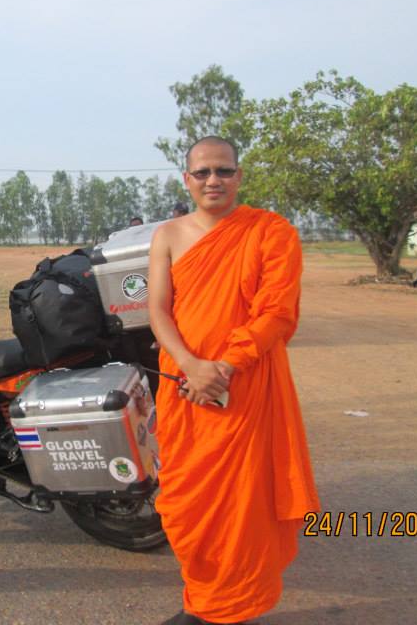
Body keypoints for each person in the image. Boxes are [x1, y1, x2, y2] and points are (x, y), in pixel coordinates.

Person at [147, 136, 318, 625]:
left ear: (239, 176)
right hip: (185, 386)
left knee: (243, 505)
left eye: (223, 170)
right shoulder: (168, 235)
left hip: (247, 388)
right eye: (202, 172)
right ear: (187, 180)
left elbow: (276, 313)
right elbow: (158, 311)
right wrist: (192, 365)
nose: (213, 180)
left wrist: (223, 367)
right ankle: (204, 599)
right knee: (188, 502)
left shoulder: (271, 231)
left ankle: (225, 610)